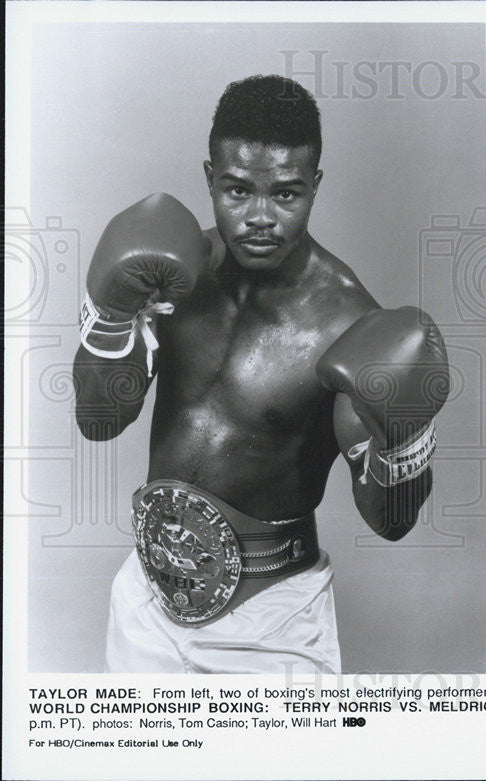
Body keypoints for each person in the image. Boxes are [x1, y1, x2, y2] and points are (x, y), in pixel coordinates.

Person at [73, 75, 449, 674]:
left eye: (287, 194)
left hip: (272, 620)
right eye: (238, 191)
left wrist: (405, 441)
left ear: (316, 186)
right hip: (145, 600)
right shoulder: (169, 280)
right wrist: (112, 320)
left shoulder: (347, 323)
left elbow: (392, 523)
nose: (260, 217)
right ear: (209, 179)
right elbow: (98, 421)